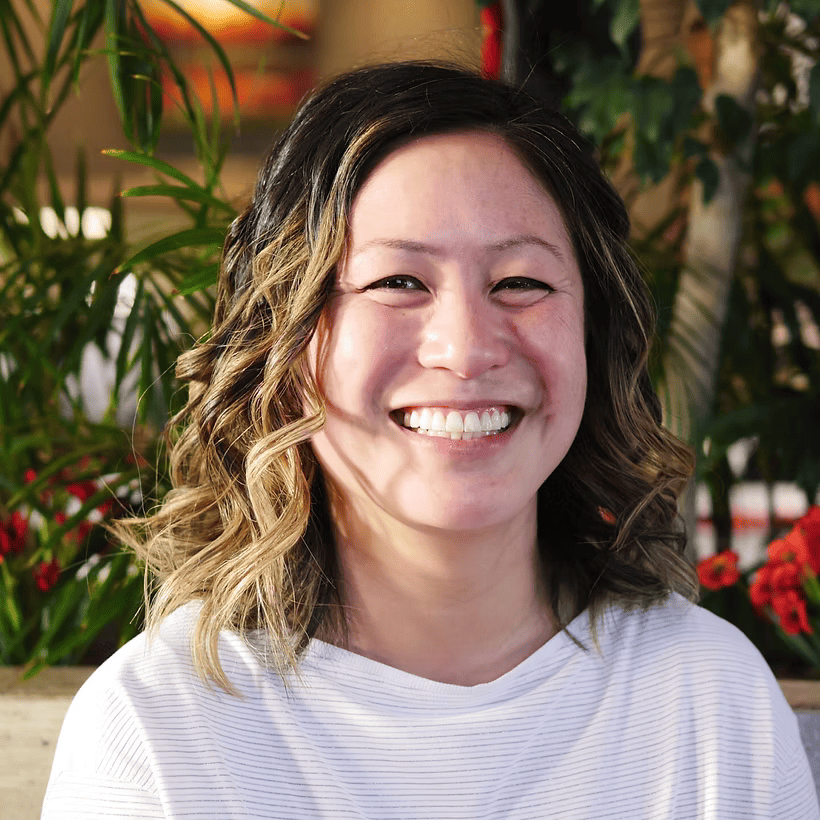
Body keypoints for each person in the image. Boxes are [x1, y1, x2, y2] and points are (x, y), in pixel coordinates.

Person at [42, 61, 818, 819]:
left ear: (593, 332)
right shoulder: (157, 729)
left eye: (521, 283)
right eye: (398, 283)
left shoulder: (711, 702)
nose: (467, 346)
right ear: (283, 344)